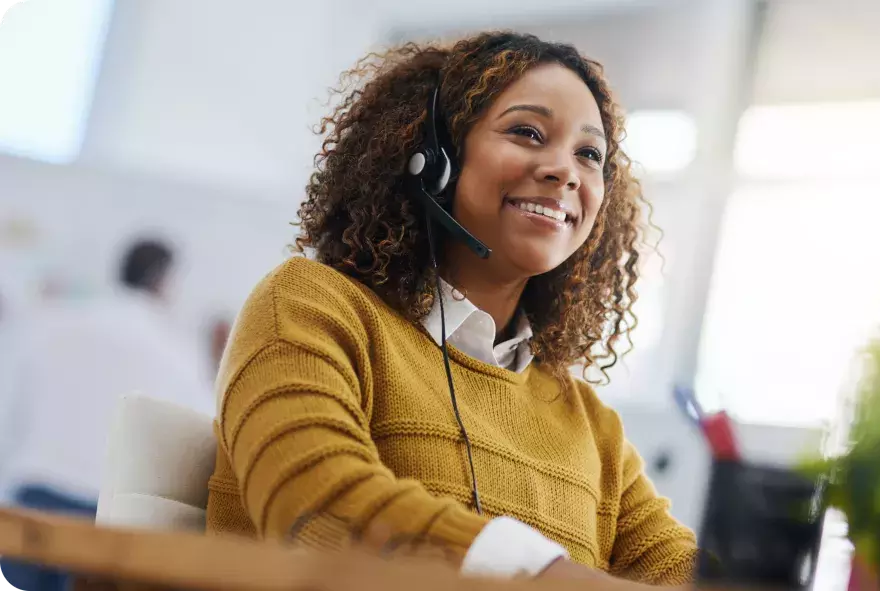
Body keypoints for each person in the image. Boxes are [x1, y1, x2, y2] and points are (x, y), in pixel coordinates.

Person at [206, 32, 699, 587]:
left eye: (589, 154)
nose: (565, 170)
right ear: (431, 159)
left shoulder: (588, 421)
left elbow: (679, 573)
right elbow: (313, 503)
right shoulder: (312, 305)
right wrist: (543, 576)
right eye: (527, 132)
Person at [0, 239, 215, 591]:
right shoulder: (176, 351)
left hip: (31, 502)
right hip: (103, 518)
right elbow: (191, 451)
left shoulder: (56, 322)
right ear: (163, 280)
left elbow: (10, 407)